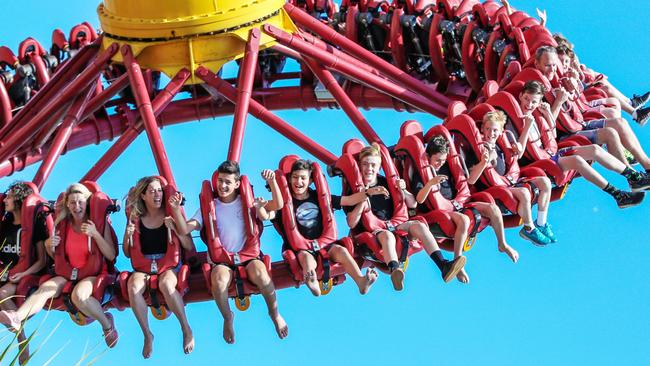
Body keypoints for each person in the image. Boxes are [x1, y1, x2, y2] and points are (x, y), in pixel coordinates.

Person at [172, 161, 288, 345]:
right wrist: (177, 209)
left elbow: (278, 205)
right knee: (218, 283)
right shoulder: (210, 206)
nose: (223, 185)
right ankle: (227, 317)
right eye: (220, 181)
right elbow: (186, 228)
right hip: (222, 262)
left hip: (249, 257)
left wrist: (272, 182)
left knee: (262, 275)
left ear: (236, 184)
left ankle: (274, 314)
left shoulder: (248, 202)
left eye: (228, 182)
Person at [0, 183, 119, 347]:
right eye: (72, 202)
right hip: (68, 274)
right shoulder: (64, 225)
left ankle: (107, 325)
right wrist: (50, 246)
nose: (76, 206)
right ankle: (17, 318)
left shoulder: (97, 224)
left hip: (91, 274)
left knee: (79, 296)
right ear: (68, 205)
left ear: (87, 202)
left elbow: (111, 254)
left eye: (80, 202)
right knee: (45, 289)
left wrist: (95, 235)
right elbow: (56, 259)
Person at [345, 143, 466, 291]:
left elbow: (413, 203)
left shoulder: (386, 182)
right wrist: (363, 200)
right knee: (387, 236)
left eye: (373, 165)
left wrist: (403, 190)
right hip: (375, 232)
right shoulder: (355, 190)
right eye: (365, 164)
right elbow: (351, 223)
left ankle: (443, 265)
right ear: (359, 166)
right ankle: (395, 270)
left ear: (379, 167)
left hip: (396, 224)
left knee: (419, 226)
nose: (369, 169)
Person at [516, 81, 648, 206]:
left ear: (539, 103)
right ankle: (618, 194)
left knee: (595, 150)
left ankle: (633, 177)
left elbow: (552, 135)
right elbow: (520, 153)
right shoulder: (514, 119)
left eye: (534, 102)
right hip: (540, 160)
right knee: (579, 160)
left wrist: (548, 113)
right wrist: (527, 127)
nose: (529, 104)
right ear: (521, 95)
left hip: (550, 152)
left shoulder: (537, 116)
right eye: (527, 99)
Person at [268, 158, 377, 296]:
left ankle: (361, 281)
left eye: (303, 178)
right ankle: (311, 280)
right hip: (301, 249)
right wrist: (261, 207)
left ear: (311, 181)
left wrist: (367, 193)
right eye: (295, 177)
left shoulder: (319, 197)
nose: (299, 182)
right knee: (307, 259)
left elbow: (348, 200)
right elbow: (270, 213)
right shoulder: (283, 203)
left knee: (341, 251)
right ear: (289, 180)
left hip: (325, 244)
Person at [534, 46, 650, 174]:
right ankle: (633, 175)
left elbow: (575, 106)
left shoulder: (556, 80)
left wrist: (572, 89)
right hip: (564, 134)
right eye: (547, 65)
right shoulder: (537, 89)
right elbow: (548, 127)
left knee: (620, 122)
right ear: (537, 64)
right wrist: (559, 101)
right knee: (610, 131)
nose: (553, 69)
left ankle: (647, 166)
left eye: (554, 65)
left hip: (578, 121)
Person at [123, 176, 195, 358]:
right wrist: (127, 234)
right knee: (133, 286)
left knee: (166, 284)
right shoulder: (136, 217)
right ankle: (147, 334)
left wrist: (176, 229)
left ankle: (186, 328)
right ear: (144, 196)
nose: (157, 194)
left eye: (160, 190)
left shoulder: (169, 213)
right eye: (152, 191)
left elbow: (188, 245)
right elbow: (126, 252)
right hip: (143, 266)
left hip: (168, 265)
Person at [466, 111, 555, 246]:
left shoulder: (501, 146)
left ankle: (541, 222)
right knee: (524, 192)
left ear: (501, 131)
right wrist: (484, 162)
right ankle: (528, 228)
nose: (491, 133)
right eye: (488, 129)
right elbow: (471, 180)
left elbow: (518, 155)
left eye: (495, 130)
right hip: (493, 189)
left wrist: (520, 141)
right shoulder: (480, 149)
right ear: (482, 129)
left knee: (545, 182)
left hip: (508, 182)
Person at [0, 182, 49, 364]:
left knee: (2, 295)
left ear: (19, 199)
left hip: (24, 277)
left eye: (9, 196)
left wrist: (23, 274)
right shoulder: (5, 226)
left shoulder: (34, 227)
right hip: (4, 275)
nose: (5, 199)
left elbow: (42, 261)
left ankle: (22, 340)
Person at [553, 34, 650, 124]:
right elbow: (581, 79)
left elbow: (583, 75)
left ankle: (631, 104)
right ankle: (635, 110)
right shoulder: (559, 63)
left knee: (603, 84)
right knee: (603, 86)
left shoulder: (570, 59)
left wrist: (580, 69)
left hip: (581, 88)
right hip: (580, 94)